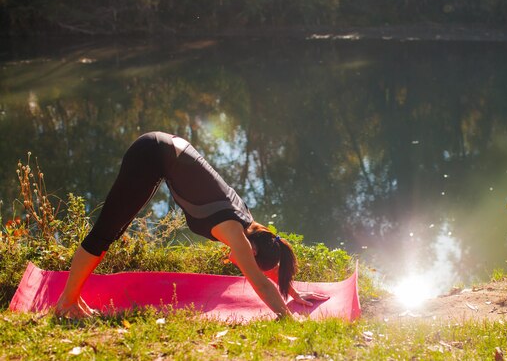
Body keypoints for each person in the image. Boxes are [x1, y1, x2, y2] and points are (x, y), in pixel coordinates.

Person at [55, 131, 328, 319]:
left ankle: (73, 295)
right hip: (151, 154)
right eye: (249, 259)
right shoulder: (236, 233)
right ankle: (66, 302)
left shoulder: (252, 226)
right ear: (252, 251)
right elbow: (260, 282)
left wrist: (291, 290)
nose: (240, 263)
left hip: (164, 152)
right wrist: (288, 318)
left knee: (111, 232)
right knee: (106, 232)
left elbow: (269, 263)